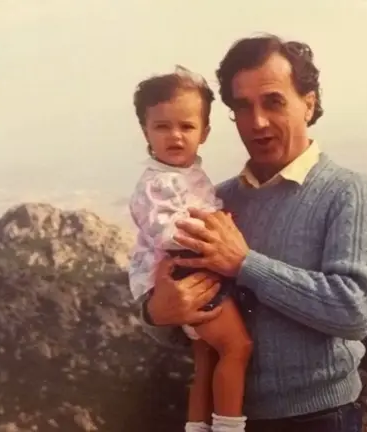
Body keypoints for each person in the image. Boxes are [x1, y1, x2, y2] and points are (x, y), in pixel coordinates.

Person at [137, 34, 367, 432]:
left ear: (308, 103)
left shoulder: (353, 193)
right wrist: (156, 313)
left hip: (319, 419)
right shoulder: (213, 201)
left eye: (273, 101)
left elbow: (356, 310)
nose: (257, 122)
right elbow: (192, 323)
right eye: (242, 107)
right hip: (230, 419)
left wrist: (244, 263)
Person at [128, 65, 252, 432]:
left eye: (186, 127)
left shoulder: (185, 174)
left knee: (207, 356)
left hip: (190, 268)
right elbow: (170, 233)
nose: (175, 136)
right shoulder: (159, 182)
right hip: (190, 270)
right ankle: (229, 428)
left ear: (205, 132)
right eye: (162, 127)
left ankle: (198, 428)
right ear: (145, 131)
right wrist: (220, 229)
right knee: (237, 347)